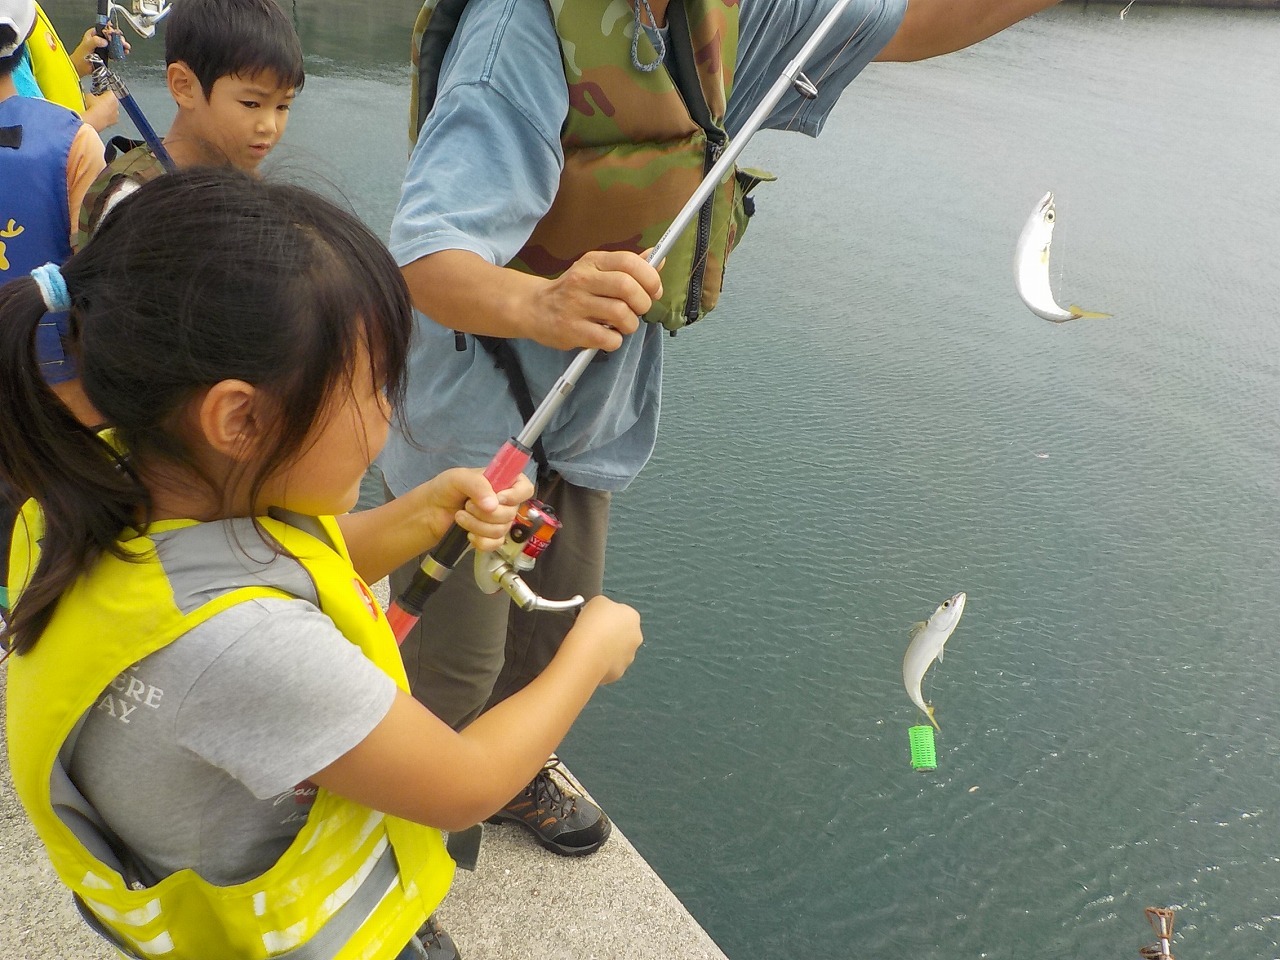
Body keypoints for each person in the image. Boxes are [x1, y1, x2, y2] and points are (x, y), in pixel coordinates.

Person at [382, 0, 1066, 862]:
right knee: (449, 672)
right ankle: (390, 861)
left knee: (555, 623)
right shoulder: (518, 32)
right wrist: (540, 302)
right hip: (472, 423)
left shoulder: (736, 16)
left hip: (591, 415)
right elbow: (422, 258)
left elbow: (918, 20)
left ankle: (511, 775)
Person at [0, 168, 643, 960]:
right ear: (239, 416)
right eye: (376, 386)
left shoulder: (98, 494)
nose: (390, 415)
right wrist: (588, 652)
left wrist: (426, 511)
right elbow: (466, 784)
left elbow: (272, 567)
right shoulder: (243, 652)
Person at [74, 0, 302, 249]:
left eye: (283, 106)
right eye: (251, 103)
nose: (269, 126)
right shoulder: (136, 201)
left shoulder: (246, 181)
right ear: (184, 86)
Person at [14, 1, 124, 132]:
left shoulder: (21, 7)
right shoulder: (8, 15)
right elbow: (21, 139)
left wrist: (75, 66)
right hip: (68, 148)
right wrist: (94, 119)